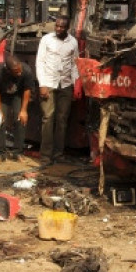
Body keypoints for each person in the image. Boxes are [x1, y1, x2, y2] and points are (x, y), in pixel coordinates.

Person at [35, 16, 81, 163]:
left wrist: (76, 83)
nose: (58, 29)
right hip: (48, 82)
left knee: (62, 120)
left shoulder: (73, 42)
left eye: (62, 27)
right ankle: (45, 155)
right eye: (57, 26)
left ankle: (58, 154)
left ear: (67, 28)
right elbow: (40, 62)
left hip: (66, 84)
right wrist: (42, 84)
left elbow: (74, 64)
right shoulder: (47, 40)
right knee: (48, 118)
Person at [0, 54, 35, 161]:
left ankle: (18, 152)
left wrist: (23, 110)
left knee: (20, 119)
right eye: (16, 71)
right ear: (8, 70)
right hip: (2, 95)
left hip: (17, 95)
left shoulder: (27, 71)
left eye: (20, 70)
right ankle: (0, 153)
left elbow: (27, 90)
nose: (19, 73)